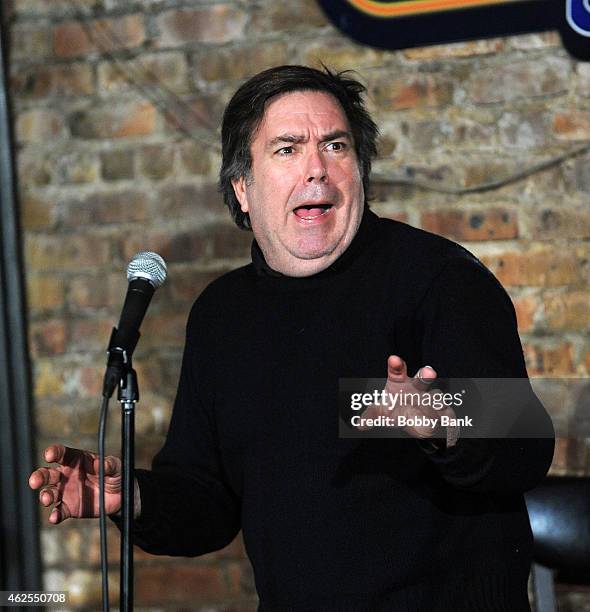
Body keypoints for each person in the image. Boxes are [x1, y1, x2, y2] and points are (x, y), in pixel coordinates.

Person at [29, 65, 555, 610]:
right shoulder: (222, 316)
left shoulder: (440, 279)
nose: (317, 170)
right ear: (243, 188)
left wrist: (443, 419)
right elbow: (206, 502)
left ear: (361, 169)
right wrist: (129, 498)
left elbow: (526, 449)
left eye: (335, 146)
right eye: (287, 149)